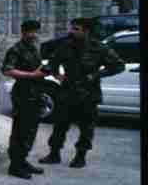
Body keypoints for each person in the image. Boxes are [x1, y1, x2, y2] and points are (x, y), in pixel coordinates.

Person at [39, 17, 125, 168]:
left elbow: (118, 66)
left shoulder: (99, 48)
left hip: (88, 95)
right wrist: (57, 75)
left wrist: (96, 75)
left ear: (86, 31)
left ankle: (80, 156)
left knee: (86, 128)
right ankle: (54, 154)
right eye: (71, 28)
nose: (71, 31)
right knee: (59, 125)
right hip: (66, 92)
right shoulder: (65, 46)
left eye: (76, 29)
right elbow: (52, 63)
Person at [2, 19, 48, 179]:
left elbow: (38, 67)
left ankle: (22, 160)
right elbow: (7, 71)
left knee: (31, 130)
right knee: (20, 130)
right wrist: (31, 75)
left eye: (35, 31)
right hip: (23, 95)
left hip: (36, 94)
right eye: (30, 31)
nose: (33, 35)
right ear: (23, 32)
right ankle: (15, 165)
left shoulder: (34, 48)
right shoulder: (16, 49)